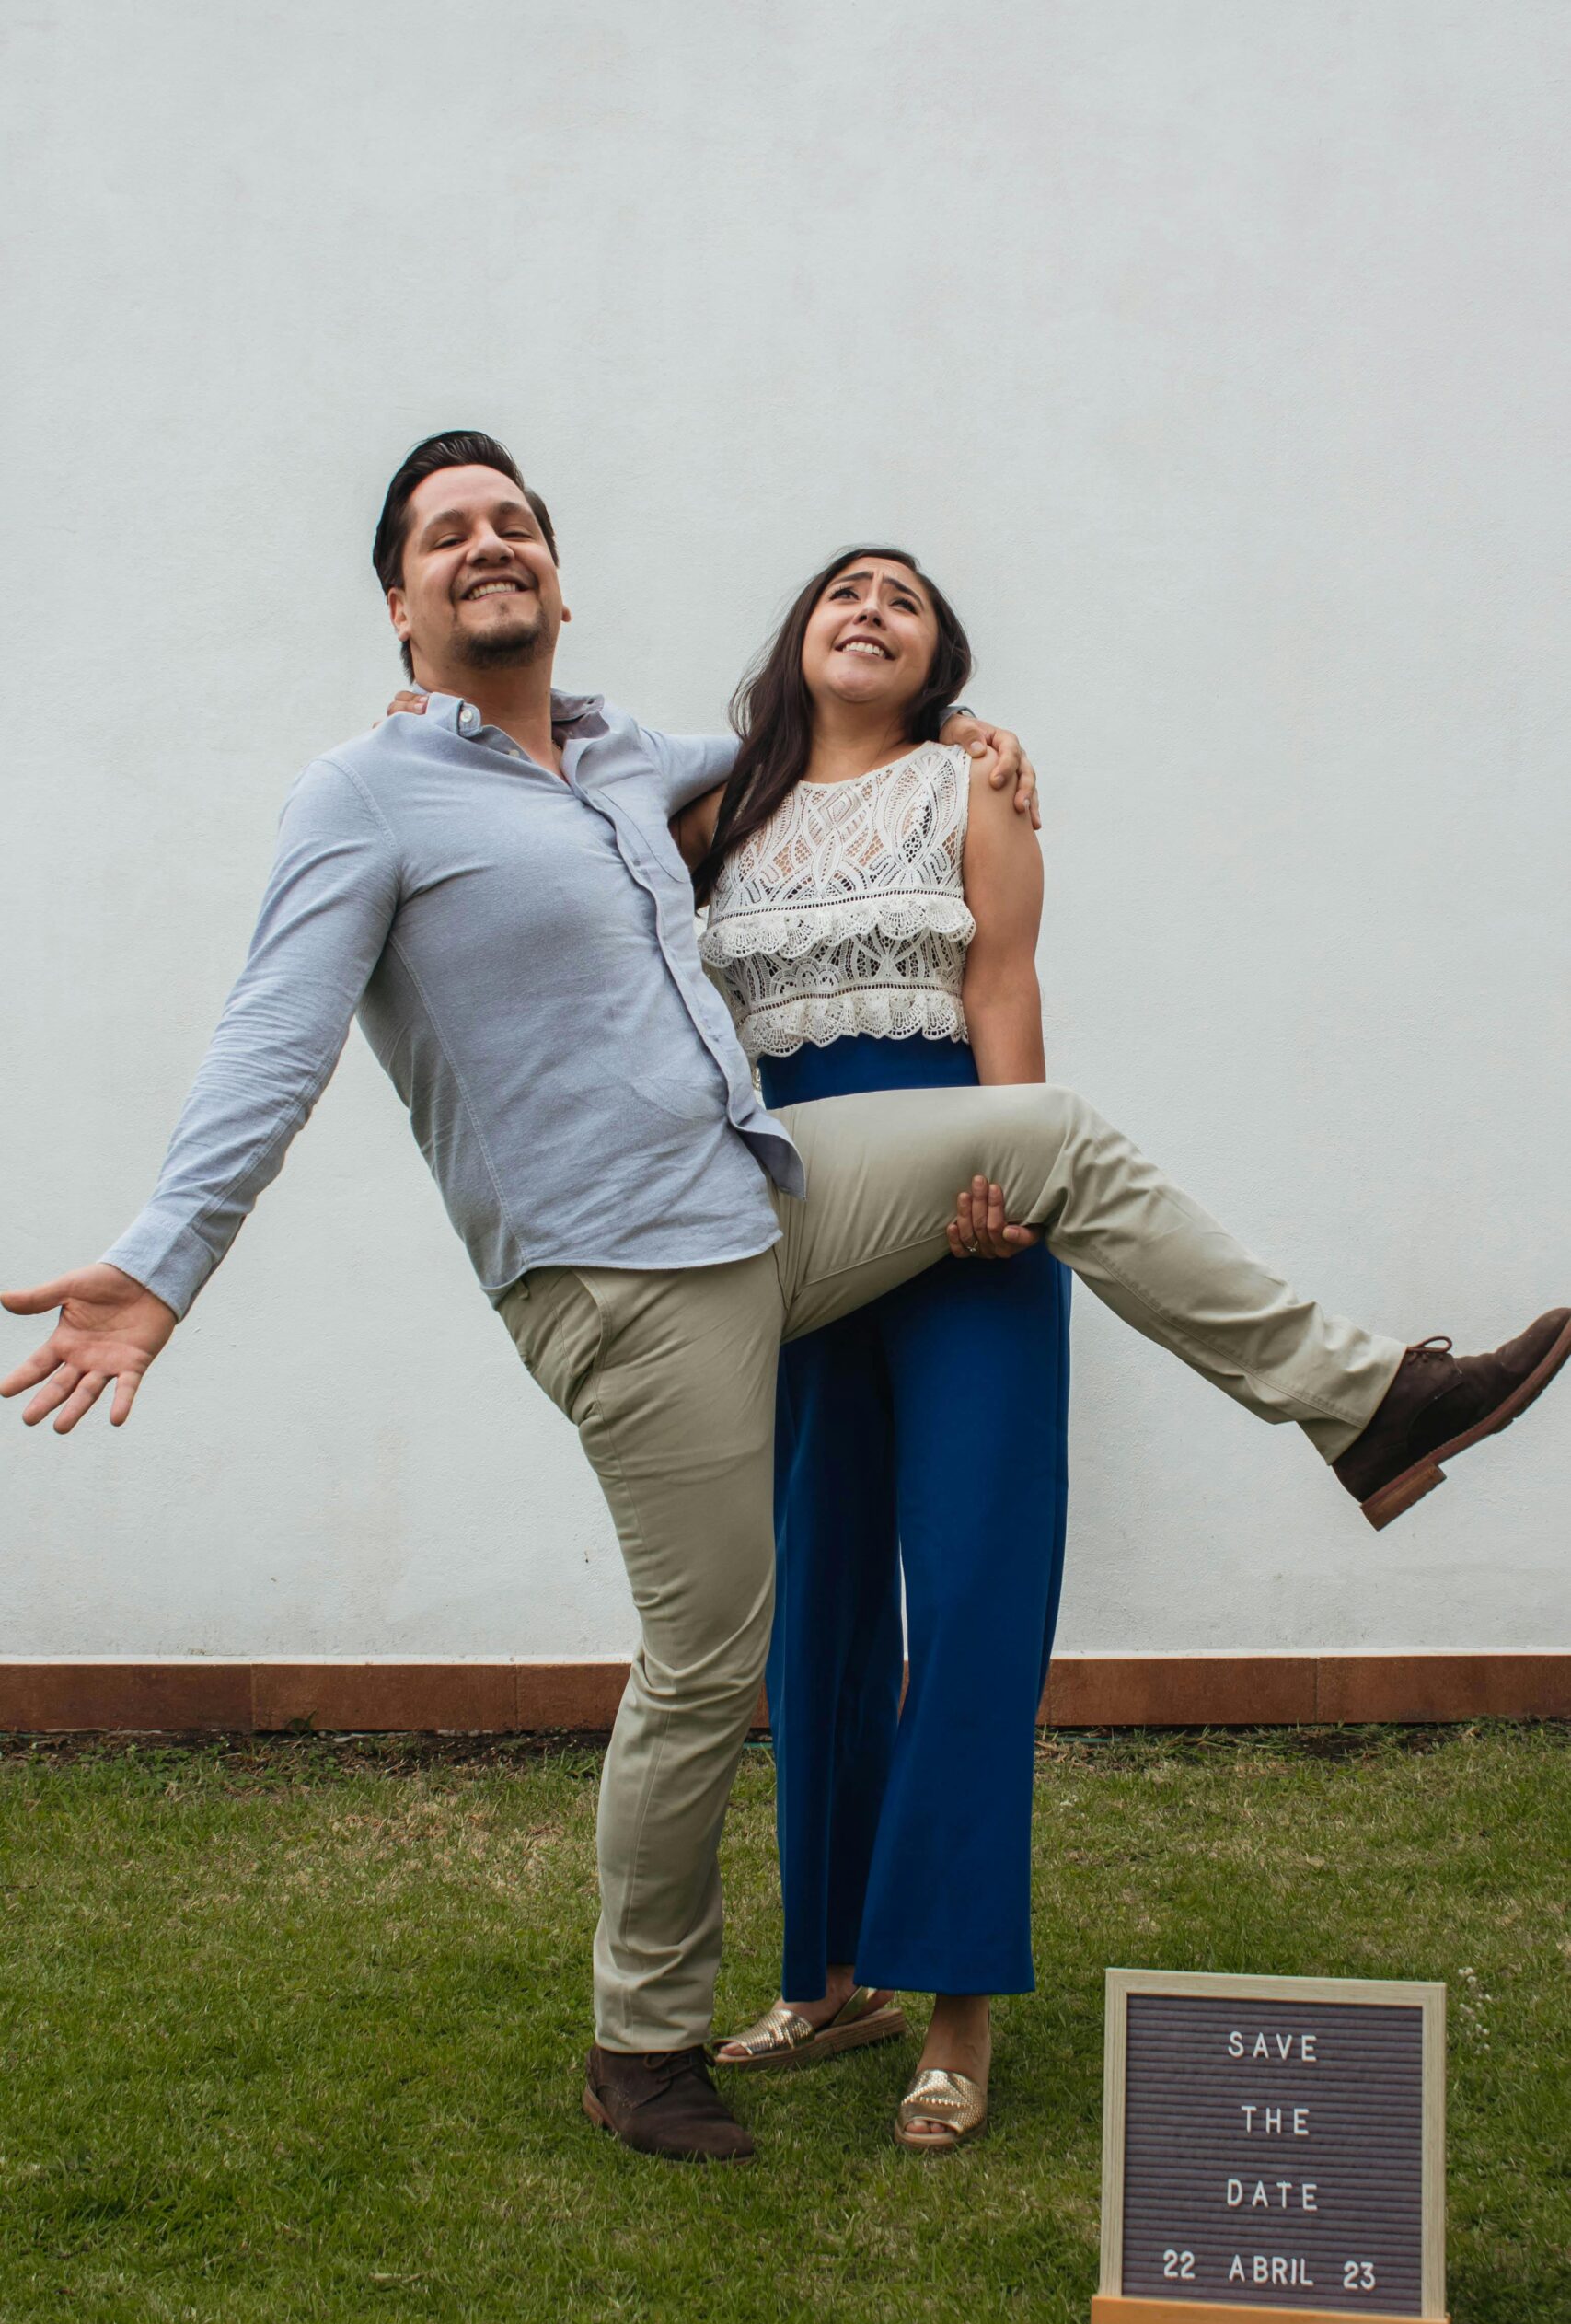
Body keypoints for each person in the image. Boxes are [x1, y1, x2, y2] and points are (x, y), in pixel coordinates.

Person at [5, 432, 1565, 2171]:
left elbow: (828, 757)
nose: (489, 545)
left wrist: (967, 733)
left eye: (515, 521)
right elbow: (267, 1041)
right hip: (624, 1278)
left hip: (774, 1205)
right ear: (400, 605)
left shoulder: (632, 761)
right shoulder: (365, 797)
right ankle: (642, 2037)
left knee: (1052, 1136)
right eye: (448, 536)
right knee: (709, 1665)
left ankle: (1369, 1404)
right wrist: (159, 1268)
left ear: (560, 575)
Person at [664, 549, 1069, 2151]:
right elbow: (556, 792)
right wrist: (426, 708)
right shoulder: (714, 811)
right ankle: (833, 1977)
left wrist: (1016, 1178)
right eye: (845, 590)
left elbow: (1003, 984)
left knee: (967, 1596)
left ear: (936, 660)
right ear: (798, 637)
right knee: (814, 1598)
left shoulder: (973, 789)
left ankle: (954, 2010)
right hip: (781, 1237)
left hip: (967, 1220)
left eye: (904, 598)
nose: (871, 608)